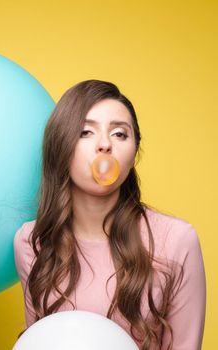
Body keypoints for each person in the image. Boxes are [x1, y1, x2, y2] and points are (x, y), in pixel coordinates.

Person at [14, 80, 205, 349]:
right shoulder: (31, 241)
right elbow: (39, 341)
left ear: (134, 150)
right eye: (85, 132)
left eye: (119, 134)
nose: (105, 144)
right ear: (61, 146)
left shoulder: (177, 240)